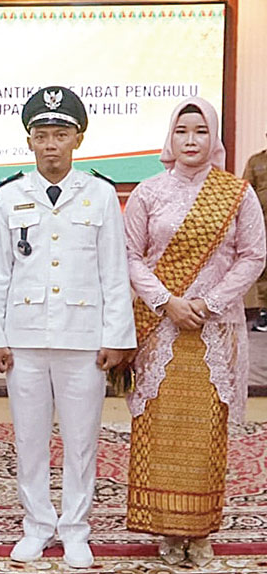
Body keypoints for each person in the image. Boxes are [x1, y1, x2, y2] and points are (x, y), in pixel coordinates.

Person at [0, 86, 136, 569]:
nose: (51, 144)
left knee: (81, 439)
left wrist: (116, 336)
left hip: (83, 337)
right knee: (28, 439)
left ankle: (75, 529)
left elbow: (115, 271)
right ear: (29, 142)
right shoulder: (10, 196)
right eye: (42, 135)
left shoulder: (101, 194)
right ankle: (35, 526)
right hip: (25, 339)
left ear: (79, 138)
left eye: (61, 134)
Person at [123, 97, 266, 567]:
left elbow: (253, 256)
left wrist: (208, 303)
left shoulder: (237, 193)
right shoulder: (147, 193)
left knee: (205, 433)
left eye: (200, 131)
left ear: (214, 138)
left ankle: (199, 531)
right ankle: (167, 530)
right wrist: (168, 302)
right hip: (160, 333)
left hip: (213, 334)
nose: (190, 140)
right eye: (182, 130)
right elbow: (130, 257)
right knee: (162, 432)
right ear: (170, 136)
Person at [242, 130, 267, 331]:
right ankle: (264, 312)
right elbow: (246, 190)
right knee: (262, 269)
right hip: (263, 223)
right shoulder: (256, 161)